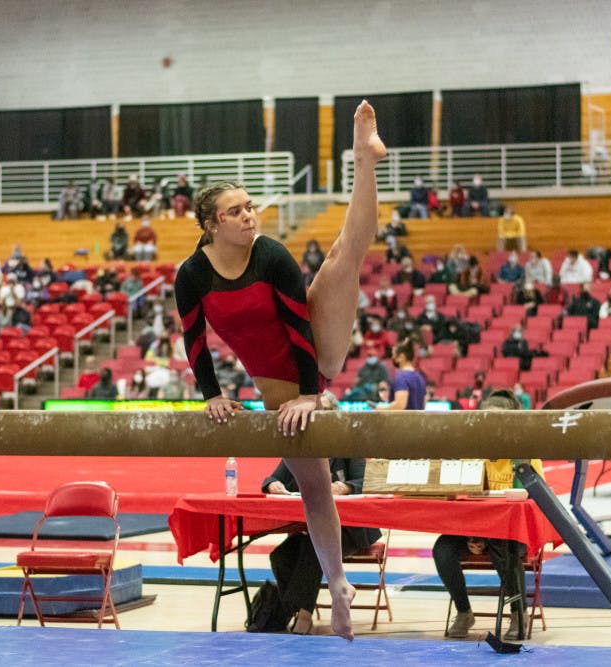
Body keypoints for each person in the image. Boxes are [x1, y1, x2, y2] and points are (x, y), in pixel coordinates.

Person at [174, 101, 386, 640]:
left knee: (343, 256)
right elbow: (194, 341)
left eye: (250, 206)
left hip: (315, 352)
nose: (250, 216)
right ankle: (337, 584)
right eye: (236, 211)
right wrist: (212, 395)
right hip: (277, 393)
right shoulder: (192, 276)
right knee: (315, 489)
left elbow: (298, 330)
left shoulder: (270, 256)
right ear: (210, 224)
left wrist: (312, 396)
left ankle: (365, 159)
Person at [433, 390, 543, 640]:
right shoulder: (473, 449)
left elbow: (534, 501)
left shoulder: (524, 452)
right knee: (442, 549)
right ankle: (464, 612)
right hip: (474, 526)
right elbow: (462, 496)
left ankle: (518, 614)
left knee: (502, 545)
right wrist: (473, 532)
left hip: (512, 532)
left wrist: (487, 531)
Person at [262, 458, 381, 635]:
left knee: (313, 552)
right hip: (314, 530)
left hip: (353, 530)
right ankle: (291, 608)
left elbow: (365, 481)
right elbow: (270, 479)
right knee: (281, 556)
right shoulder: (301, 453)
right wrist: (273, 484)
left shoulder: (347, 447)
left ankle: (304, 614)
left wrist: (344, 487)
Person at [373, 339, 426, 410]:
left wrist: (381, 407)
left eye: (393, 355)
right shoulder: (420, 377)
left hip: (404, 420)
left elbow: (400, 405)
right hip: (418, 420)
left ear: (401, 357)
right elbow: (424, 403)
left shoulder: (402, 377)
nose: (392, 358)